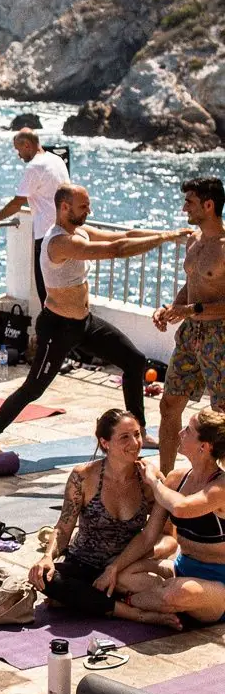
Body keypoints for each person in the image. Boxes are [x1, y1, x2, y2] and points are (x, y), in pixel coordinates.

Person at [0, 185, 186, 455]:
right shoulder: (60, 242)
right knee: (34, 388)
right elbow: (117, 249)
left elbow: (125, 236)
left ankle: (139, 431)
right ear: (64, 208)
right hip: (57, 327)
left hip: (84, 324)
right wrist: (165, 237)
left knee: (134, 361)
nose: (89, 211)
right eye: (83, 206)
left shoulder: (80, 232)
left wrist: (169, 235)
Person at [29, 409, 178, 627]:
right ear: (105, 443)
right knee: (44, 577)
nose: (135, 443)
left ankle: (89, 601)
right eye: (124, 437)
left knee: (164, 590)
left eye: (137, 434)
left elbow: (166, 537)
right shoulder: (83, 476)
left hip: (124, 568)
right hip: (83, 564)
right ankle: (133, 613)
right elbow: (63, 528)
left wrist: (122, 564)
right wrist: (47, 557)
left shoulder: (149, 480)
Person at [109, 409, 225, 625]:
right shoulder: (176, 479)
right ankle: (157, 601)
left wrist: (154, 482)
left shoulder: (221, 486)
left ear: (204, 446)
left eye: (188, 430)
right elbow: (149, 535)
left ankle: (124, 605)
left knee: (178, 593)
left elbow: (181, 508)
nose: (180, 432)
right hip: (181, 570)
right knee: (123, 576)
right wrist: (113, 568)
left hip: (219, 584)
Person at [154, 178, 225, 473]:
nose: (184, 208)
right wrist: (172, 309)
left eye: (190, 202)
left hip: (219, 336)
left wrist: (193, 309)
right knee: (169, 404)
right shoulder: (194, 241)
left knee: (222, 413)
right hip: (190, 334)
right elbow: (192, 283)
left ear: (208, 205)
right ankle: (165, 480)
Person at [0, 129, 69, 307]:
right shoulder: (56, 160)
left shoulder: (35, 167)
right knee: (63, 292)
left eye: (18, 150)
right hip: (65, 233)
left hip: (46, 237)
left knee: (47, 295)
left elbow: (17, 203)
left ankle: (49, 326)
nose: (18, 155)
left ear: (27, 145)